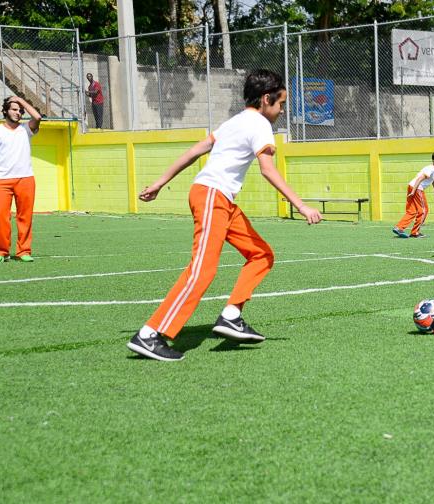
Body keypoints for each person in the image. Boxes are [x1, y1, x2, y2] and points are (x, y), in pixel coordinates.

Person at [127, 69, 322, 362]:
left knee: (261, 255)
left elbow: (196, 151)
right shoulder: (259, 124)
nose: (282, 110)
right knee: (202, 271)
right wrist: (302, 205)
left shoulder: (234, 121)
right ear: (266, 99)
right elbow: (267, 169)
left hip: (220, 199)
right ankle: (150, 334)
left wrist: (159, 182)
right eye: (281, 104)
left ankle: (231, 315)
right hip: (211, 196)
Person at [0, 96, 41, 263]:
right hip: (2, 181)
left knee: (25, 216)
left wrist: (21, 101)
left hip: (26, 179)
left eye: (20, 111)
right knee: (0, 215)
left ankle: (23, 251)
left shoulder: (27, 129)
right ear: (5, 111)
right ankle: (1, 252)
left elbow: (37, 117)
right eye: (14, 109)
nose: (18, 113)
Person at [392, 151, 434, 238]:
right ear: (433, 161)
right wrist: (413, 191)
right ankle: (415, 232)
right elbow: (420, 179)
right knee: (424, 211)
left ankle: (399, 227)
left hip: (411, 186)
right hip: (417, 188)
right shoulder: (430, 169)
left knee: (412, 211)